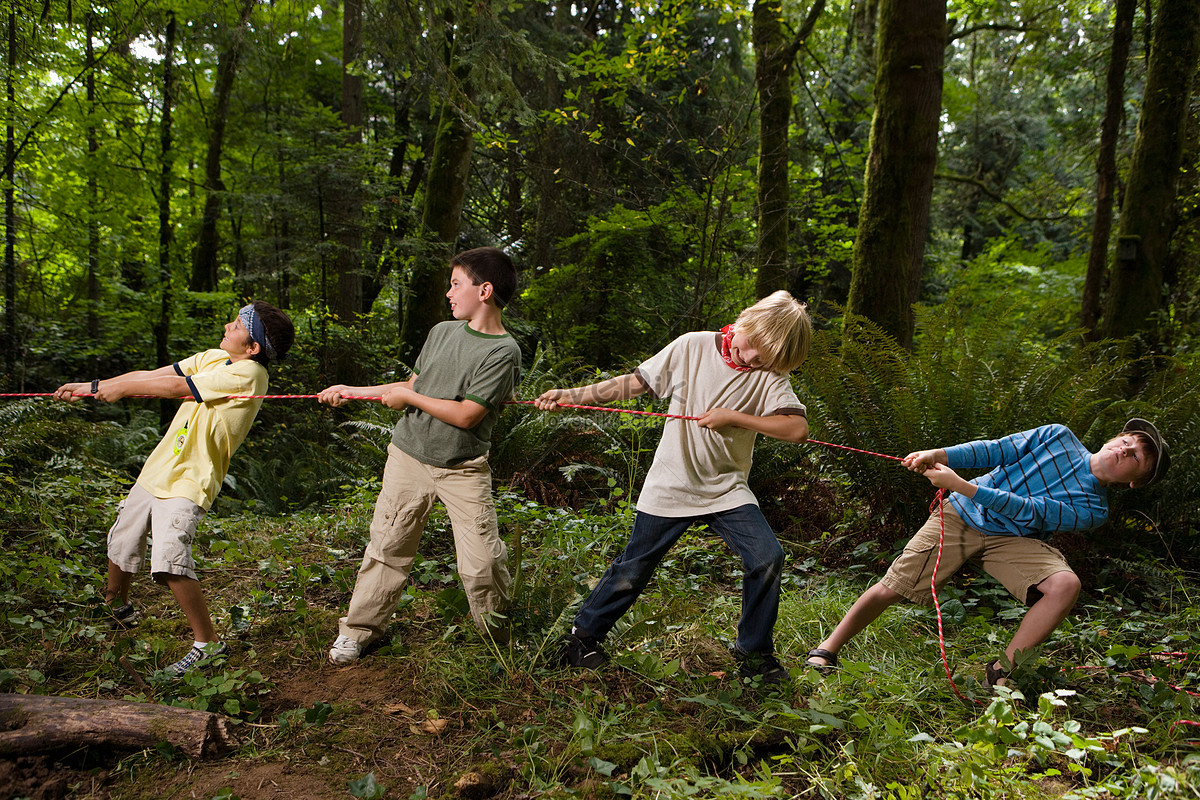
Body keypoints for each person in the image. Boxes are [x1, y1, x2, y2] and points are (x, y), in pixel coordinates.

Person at [536, 290, 814, 684]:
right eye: (754, 347)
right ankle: (582, 639)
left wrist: (735, 418)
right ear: (746, 321)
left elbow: (798, 428)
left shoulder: (769, 375)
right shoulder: (692, 346)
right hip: (672, 482)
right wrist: (572, 395)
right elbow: (633, 384)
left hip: (726, 489)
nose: (753, 360)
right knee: (634, 567)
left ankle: (755, 655)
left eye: (765, 358)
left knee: (767, 557)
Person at [804, 419, 1170, 686]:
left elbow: (1031, 511)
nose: (1125, 449)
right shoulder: (1057, 436)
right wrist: (938, 454)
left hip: (1011, 537)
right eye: (1126, 440)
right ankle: (827, 648)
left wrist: (961, 485)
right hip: (961, 515)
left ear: (1134, 482)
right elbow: (995, 448)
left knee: (1064, 585)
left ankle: (1000, 672)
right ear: (1113, 438)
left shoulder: (1094, 510)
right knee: (894, 587)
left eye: (1136, 457)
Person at [54, 301, 295, 676]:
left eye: (237, 326)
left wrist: (120, 391)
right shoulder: (216, 357)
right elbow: (155, 373)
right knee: (122, 538)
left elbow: (172, 387)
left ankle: (207, 644)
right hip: (161, 467)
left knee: (169, 557)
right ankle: (115, 607)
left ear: (253, 348)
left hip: (190, 478)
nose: (227, 326)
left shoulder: (250, 374)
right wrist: (96, 386)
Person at [321, 246, 521, 666]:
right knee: (387, 547)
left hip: (462, 470)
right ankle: (358, 632)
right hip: (408, 456)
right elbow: (412, 384)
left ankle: (498, 642)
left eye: (456, 284)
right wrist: (354, 391)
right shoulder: (441, 333)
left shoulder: (503, 352)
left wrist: (410, 396)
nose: (449, 293)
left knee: (482, 561)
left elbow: (467, 414)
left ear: (484, 290)